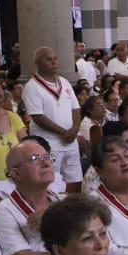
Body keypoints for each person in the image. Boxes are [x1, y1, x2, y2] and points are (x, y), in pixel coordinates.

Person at [21, 46, 82, 189]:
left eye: (55, 58)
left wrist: (75, 129)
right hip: (50, 145)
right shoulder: (32, 87)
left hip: (70, 142)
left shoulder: (64, 82)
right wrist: (63, 132)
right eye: (49, 59)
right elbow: (37, 116)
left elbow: (76, 108)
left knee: (75, 182)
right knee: (52, 184)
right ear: (38, 63)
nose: (54, 62)